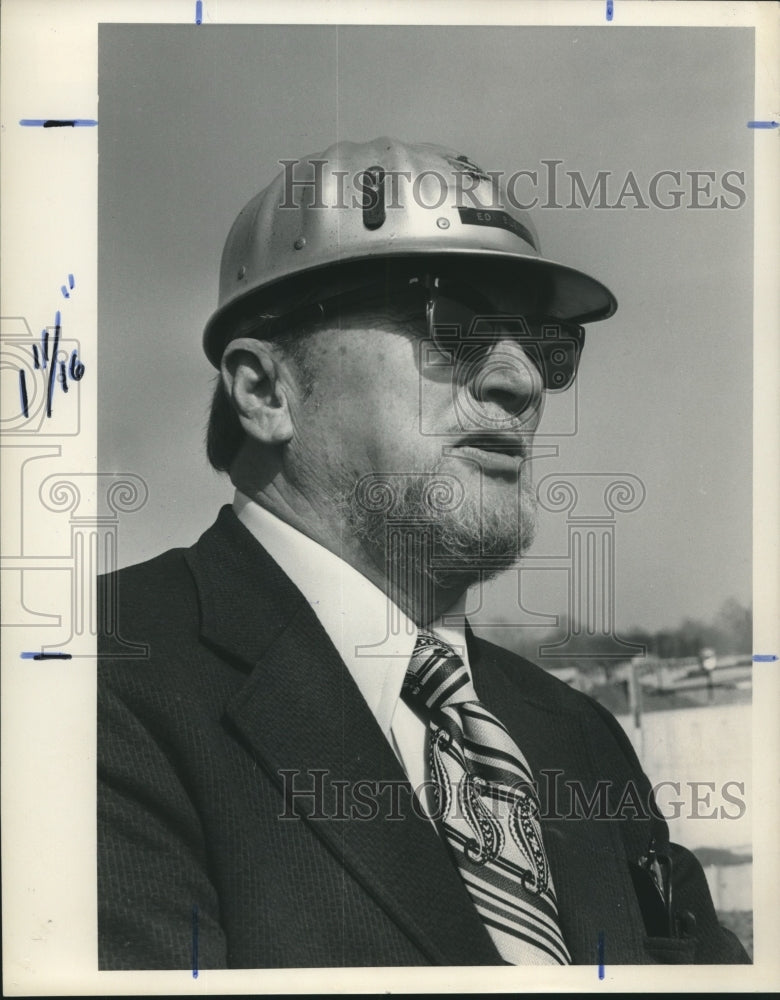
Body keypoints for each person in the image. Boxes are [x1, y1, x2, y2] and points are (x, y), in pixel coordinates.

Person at [97, 137, 749, 969]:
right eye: (457, 323)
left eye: (546, 346)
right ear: (265, 390)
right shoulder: (94, 677)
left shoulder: (577, 734)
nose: (522, 385)